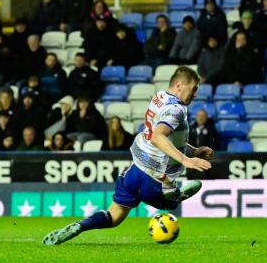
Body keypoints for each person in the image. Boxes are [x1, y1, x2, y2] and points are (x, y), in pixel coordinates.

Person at [43, 67, 212, 245]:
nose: (195, 94)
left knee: (114, 216)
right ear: (179, 85)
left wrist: (193, 151)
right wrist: (186, 160)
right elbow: (158, 136)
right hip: (154, 178)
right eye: (193, 88)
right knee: (171, 203)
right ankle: (174, 193)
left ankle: (80, 226)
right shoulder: (176, 109)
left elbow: (165, 137)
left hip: (134, 172)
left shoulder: (160, 97)